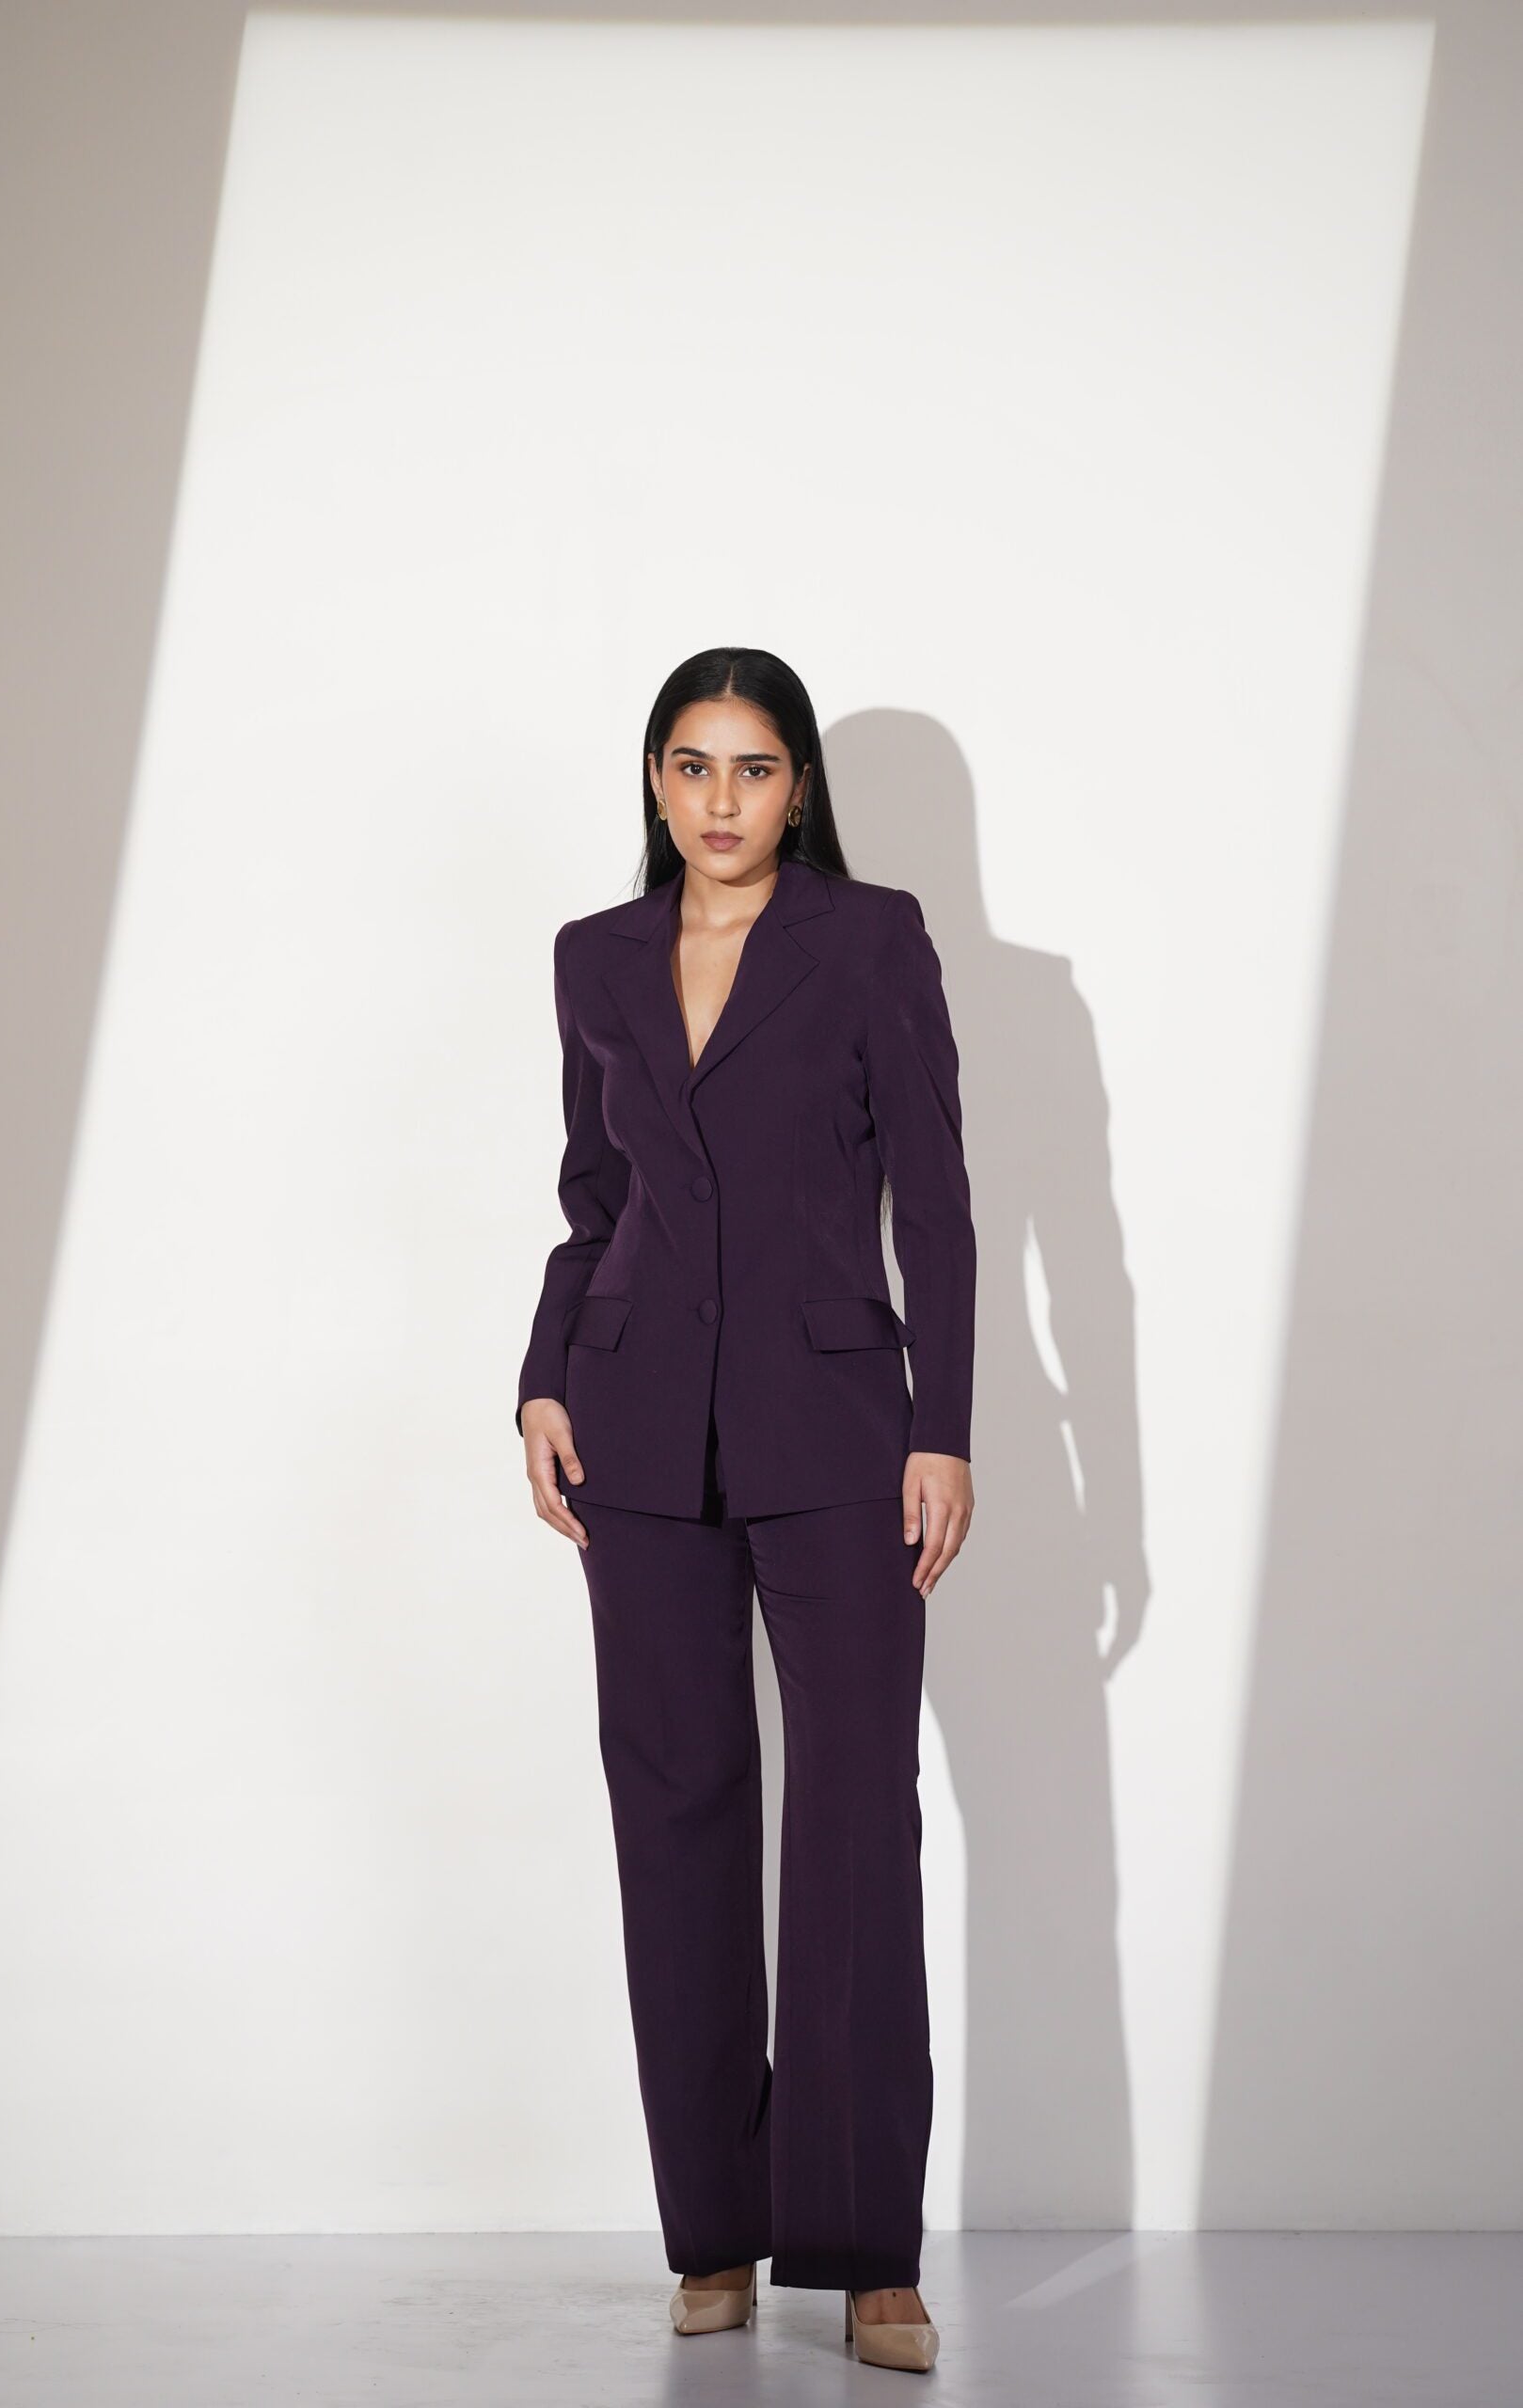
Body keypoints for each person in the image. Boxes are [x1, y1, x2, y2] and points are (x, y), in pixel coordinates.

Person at [516, 646, 976, 2375]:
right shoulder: (595, 956)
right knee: (677, 1814)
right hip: (633, 1436)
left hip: (841, 1434)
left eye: (756, 768)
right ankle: (711, 2228)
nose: (723, 801)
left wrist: (946, 1427)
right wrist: (543, 1377)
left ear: (800, 789)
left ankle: (866, 2253)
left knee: (855, 1817)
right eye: (694, 767)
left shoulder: (871, 940)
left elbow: (937, 1199)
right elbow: (594, 1200)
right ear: (656, 781)